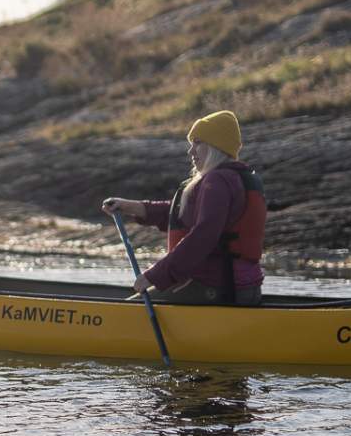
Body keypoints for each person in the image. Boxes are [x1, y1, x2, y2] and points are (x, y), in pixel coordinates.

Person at [100, 109, 266, 305]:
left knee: (127, 312)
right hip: (242, 288)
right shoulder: (232, 177)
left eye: (197, 143)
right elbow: (182, 213)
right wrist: (131, 207)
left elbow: (203, 235)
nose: (191, 151)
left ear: (215, 146)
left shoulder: (218, 180)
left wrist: (155, 276)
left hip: (216, 287)